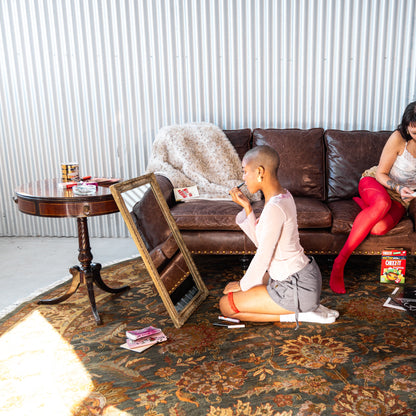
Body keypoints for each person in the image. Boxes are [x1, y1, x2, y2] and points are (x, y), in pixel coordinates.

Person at [219, 145, 339, 326]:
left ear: (259, 172)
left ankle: (304, 314)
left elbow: (263, 255)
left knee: (226, 306)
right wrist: (248, 208)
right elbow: (263, 242)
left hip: (296, 286)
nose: (243, 178)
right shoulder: (282, 196)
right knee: (246, 287)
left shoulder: (275, 206)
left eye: (244, 172)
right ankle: (305, 308)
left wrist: (243, 284)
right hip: (300, 278)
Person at [330, 101, 416, 293]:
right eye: (415, 132)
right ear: (407, 127)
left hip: (401, 198)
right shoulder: (398, 138)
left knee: (378, 227)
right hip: (377, 182)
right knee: (382, 204)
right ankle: (340, 262)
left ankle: (363, 206)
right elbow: (381, 174)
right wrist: (398, 186)